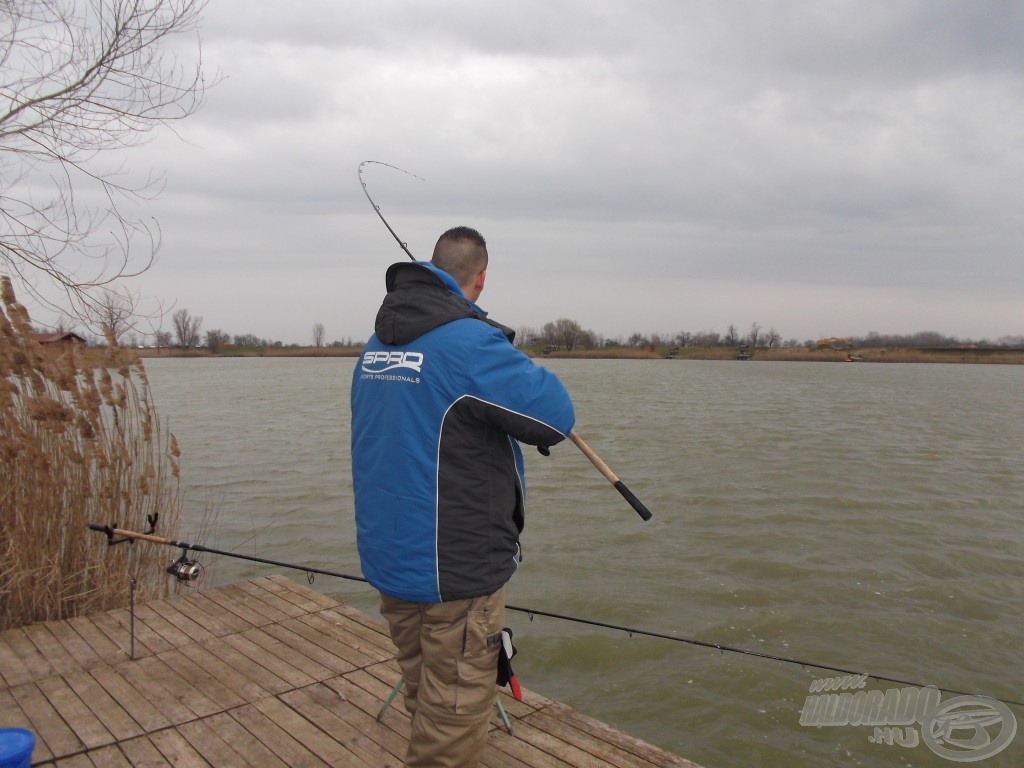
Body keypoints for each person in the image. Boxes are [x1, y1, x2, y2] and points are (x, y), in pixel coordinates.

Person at [350, 226, 575, 766]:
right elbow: (555, 416)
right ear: (480, 278)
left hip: (392, 558)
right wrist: (489, 336)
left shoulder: (375, 347)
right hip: (455, 569)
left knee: (427, 691)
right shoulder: (469, 343)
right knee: (454, 715)